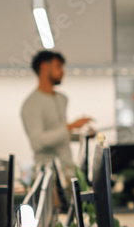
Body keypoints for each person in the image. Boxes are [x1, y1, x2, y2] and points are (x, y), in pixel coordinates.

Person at [21, 51, 93, 180]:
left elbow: (59, 136)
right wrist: (70, 126)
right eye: (58, 66)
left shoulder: (62, 99)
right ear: (44, 67)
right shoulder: (32, 104)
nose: (63, 71)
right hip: (49, 174)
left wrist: (82, 136)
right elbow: (37, 142)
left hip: (68, 170)